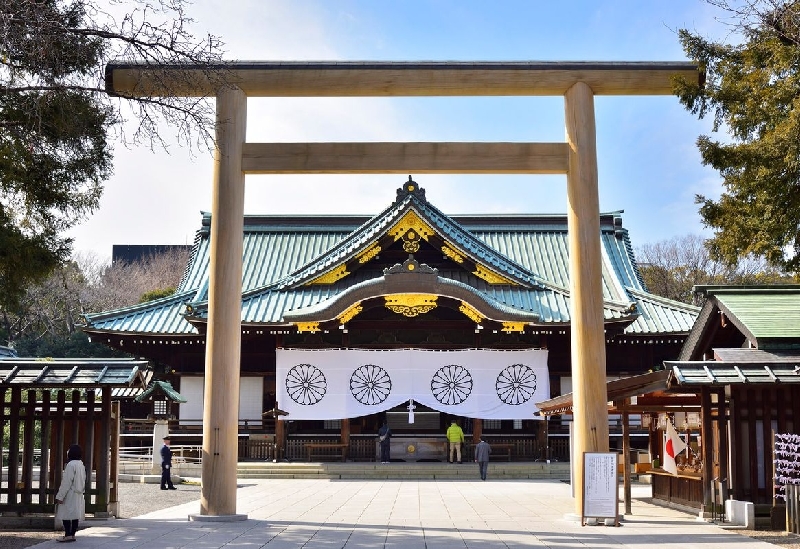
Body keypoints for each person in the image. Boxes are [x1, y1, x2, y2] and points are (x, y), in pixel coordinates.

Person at [55, 444, 86, 543]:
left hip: (70, 492)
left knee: (66, 514)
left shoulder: (71, 465)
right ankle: (72, 534)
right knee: (75, 514)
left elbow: (66, 482)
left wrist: (60, 495)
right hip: (79, 492)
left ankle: (68, 534)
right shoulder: (81, 464)